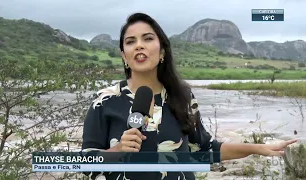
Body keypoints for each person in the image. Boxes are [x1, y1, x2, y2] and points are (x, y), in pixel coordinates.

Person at [81, 12, 297, 180]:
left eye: (147, 38)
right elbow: (85, 165)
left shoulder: (182, 97)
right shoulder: (105, 100)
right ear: (124, 56)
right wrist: (118, 150)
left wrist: (257, 148)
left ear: (162, 51)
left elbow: (206, 148)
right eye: (130, 41)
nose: (139, 45)